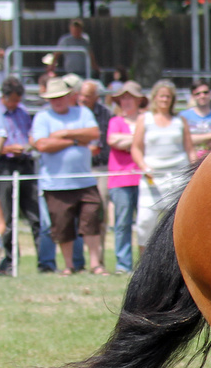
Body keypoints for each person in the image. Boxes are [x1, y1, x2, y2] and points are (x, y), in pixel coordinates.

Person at [30, 77, 105, 276]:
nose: (57, 101)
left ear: (69, 96)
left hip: (85, 181)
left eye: (61, 96)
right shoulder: (42, 117)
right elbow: (42, 145)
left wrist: (63, 134)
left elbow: (94, 133)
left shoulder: (83, 112)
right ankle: (69, 265)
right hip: (55, 184)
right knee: (62, 227)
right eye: (53, 98)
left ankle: (96, 264)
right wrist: (74, 141)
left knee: (91, 221)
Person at [0, 76, 49, 274]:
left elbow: (29, 134)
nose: (16, 103)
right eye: (13, 100)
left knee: (35, 215)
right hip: (4, 165)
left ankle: (45, 262)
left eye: (18, 99)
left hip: (25, 164)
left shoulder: (23, 111)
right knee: (7, 217)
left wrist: (28, 144)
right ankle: (9, 263)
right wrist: (7, 148)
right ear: (4, 96)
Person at [131, 79, 194, 254]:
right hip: (152, 178)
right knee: (145, 221)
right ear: (155, 98)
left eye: (168, 97)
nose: (165, 100)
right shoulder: (145, 119)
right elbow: (136, 147)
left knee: (176, 222)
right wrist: (143, 165)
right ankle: (143, 261)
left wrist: (193, 173)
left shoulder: (180, 120)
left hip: (177, 176)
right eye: (161, 96)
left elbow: (189, 149)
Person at [104, 81, 146, 274]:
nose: (127, 101)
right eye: (123, 98)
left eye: (131, 97)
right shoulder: (115, 121)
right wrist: (139, 138)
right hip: (120, 179)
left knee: (147, 223)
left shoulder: (146, 120)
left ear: (139, 100)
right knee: (122, 223)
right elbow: (113, 141)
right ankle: (123, 265)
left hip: (145, 177)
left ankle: (146, 265)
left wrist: (127, 139)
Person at [179, 80, 211, 158]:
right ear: (193, 96)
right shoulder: (183, 116)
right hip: (189, 163)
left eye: (206, 92)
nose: (202, 96)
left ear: (210, 94)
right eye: (198, 94)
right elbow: (184, 141)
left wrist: (195, 138)